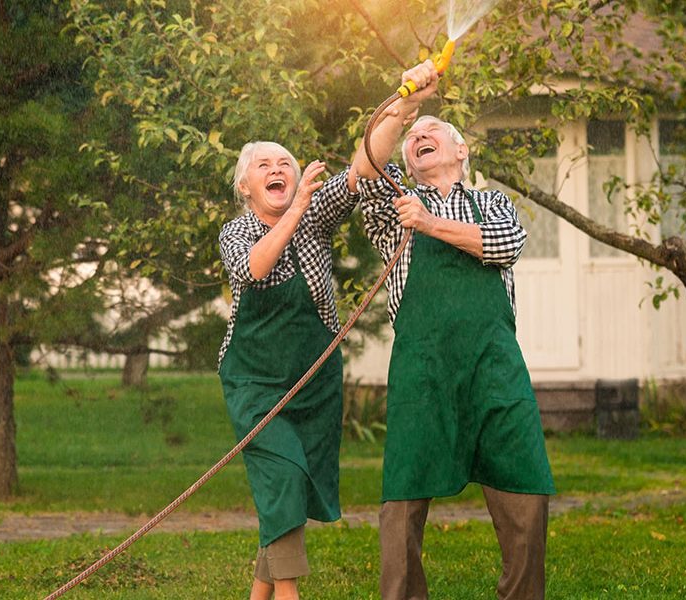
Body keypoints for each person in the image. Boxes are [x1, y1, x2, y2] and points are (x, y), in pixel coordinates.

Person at [353, 61, 556, 600]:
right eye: (413, 138)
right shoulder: (392, 207)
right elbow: (366, 163)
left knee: (526, 490)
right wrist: (408, 106)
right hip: (422, 371)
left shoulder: (492, 203)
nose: (420, 137)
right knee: (401, 503)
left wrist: (430, 224)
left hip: (494, 368)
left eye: (432, 131)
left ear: (462, 151)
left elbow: (506, 245)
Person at [217, 141, 360, 600]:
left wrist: (401, 105)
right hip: (254, 382)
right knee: (284, 477)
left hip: (313, 384)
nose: (277, 170)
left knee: (288, 489)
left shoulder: (315, 215)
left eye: (286, 165)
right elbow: (255, 268)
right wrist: (295, 210)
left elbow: (362, 172)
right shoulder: (236, 232)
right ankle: (288, 593)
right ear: (246, 185)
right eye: (265, 165)